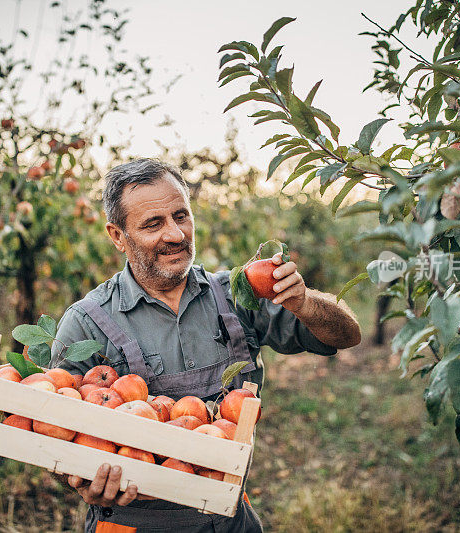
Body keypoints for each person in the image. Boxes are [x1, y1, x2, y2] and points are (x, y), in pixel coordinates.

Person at [54, 158, 361, 532]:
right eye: (154, 224)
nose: (175, 234)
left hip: (228, 518)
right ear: (118, 236)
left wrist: (304, 302)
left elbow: (346, 335)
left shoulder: (236, 296)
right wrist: (83, 481)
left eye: (181, 216)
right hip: (134, 524)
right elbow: (53, 438)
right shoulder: (87, 322)